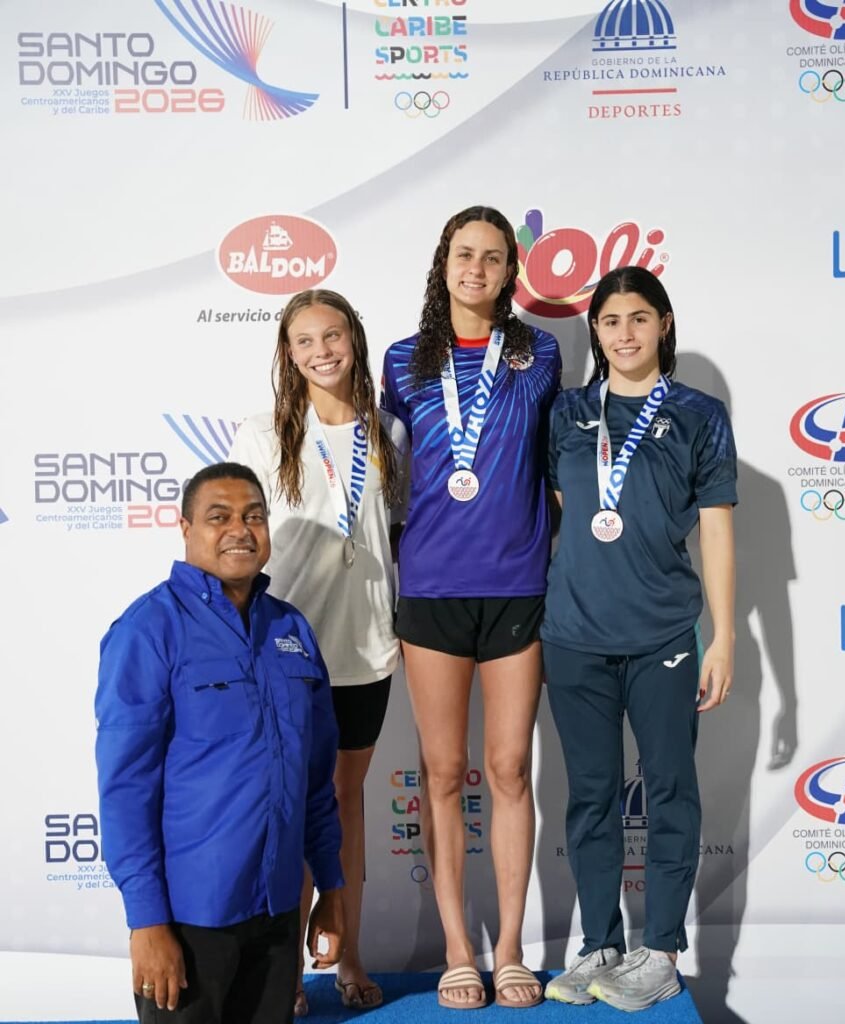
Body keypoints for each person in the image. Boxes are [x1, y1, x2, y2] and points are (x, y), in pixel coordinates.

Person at [541, 266, 737, 1012]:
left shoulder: (699, 414)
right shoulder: (567, 412)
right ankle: (600, 944)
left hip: (663, 634)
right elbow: (568, 511)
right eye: (610, 320)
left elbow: (715, 532)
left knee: (669, 790)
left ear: (663, 324)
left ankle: (659, 952)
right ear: (594, 331)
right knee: (590, 795)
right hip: (574, 634)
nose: (624, 334)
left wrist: (723, 637)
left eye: (638, 318)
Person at [381, 205, 561, 1009]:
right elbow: (383, 470)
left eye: (492, 257)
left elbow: (551, 461)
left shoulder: (538, 353)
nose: (476, 268)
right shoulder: (400, 360)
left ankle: (513, 947)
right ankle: (459, 949)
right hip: (430, 586)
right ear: (442, 263)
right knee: (445, 772)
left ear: (509, 272)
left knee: (510, 768)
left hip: (516, 583)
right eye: (464, 254)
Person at [95, 463, 345, 1023]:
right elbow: (126, 790)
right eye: (219, 517)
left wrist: (330, 887)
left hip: (278, 913)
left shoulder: (292, 630)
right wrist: (147, 922)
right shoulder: (147, 630)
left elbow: (315, 779)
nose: (240, 530)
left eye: (254, 516)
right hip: (188, 920)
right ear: (185, 528)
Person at [229, 289, 408, 1014]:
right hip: (287, 651)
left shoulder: (388, 432)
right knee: (288, 809)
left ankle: (349, 955)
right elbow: (237, 541)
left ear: (353, 340)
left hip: (365, 647)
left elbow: (397, 534)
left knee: (344, 803)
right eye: (304, 341)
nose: (320, 351)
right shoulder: (261, 435)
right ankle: (286, 975)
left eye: (331, 336)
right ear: (288, 353)